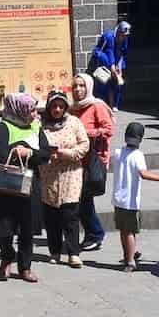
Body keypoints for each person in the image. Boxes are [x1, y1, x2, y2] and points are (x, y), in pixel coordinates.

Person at [0, 92, 45, 281]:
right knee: (5, 227)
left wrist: (28, 152)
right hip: (7, 184)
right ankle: (6, 258)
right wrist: (18, 152)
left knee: (27, 228)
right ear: (19, 110)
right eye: (31, 110)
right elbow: (1, 154)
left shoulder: (37, 127)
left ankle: (25, 267)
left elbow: (45, 154)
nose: (35, 114)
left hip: (31, 184)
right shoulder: (3, 127)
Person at [36, 89, 91, 267]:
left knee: (70, 214)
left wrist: (66, 153)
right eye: (54, 106)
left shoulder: (74, 122)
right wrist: (46, 154)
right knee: (51, 217)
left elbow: (84, 145)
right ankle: (55, 251)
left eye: (61, 106)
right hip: (49, 176)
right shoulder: (40, 125)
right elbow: (34, 145)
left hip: (71, 174)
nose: (57, 110)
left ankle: (73, 252)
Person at [109, 119, 159, 271]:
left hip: (118, 199)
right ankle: (130, 261)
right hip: (130, 201)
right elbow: (143, 174)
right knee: (131, 231)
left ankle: (127, 255)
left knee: (123, 231)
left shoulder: (118, 153)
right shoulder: (138, 155)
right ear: (140, 139)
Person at [69, 73, 114, 252]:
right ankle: (92, 234)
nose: (78, 90)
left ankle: (95, 234)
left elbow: (108, 129)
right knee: (81, 199)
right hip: (77, 159)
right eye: (75, 86)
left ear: (88, 87)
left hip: (94, 159)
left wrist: (85, 134)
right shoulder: (72, 109)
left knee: (84, 199)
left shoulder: (97, 106)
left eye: (81, 86)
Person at [87, 20, 131, 108]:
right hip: (104, 57)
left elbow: (122, 53)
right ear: (118, 32)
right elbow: (109, 52)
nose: (123, 37)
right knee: (105, 75)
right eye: (122, 35)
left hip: (115, 57)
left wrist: (119, 68)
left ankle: (114, 104)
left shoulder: (124, 39)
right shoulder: (109, 36)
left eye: (125, 36)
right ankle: (101, 101)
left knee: (118, 79)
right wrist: (112, 68)